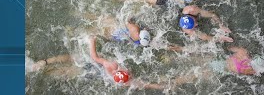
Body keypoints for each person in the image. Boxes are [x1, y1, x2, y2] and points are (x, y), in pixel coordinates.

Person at [31, 37, 166, 89]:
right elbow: (145, 84)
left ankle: (45, 64)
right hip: (93, 71)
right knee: (70, 69)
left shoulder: (113, 66)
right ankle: (46, 66)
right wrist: (161, 87)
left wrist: (92, 41)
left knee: (72, 60)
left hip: (93, 69)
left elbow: (95, 57)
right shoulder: (124, 80)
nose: (130, 73)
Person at [84, 14, 152, 47]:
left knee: (101, 20)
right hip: (117, 36)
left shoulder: (135, 30)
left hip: (116, 30)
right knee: (100, 30)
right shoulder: (140, 41)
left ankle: (87, 18)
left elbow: (127, 23)